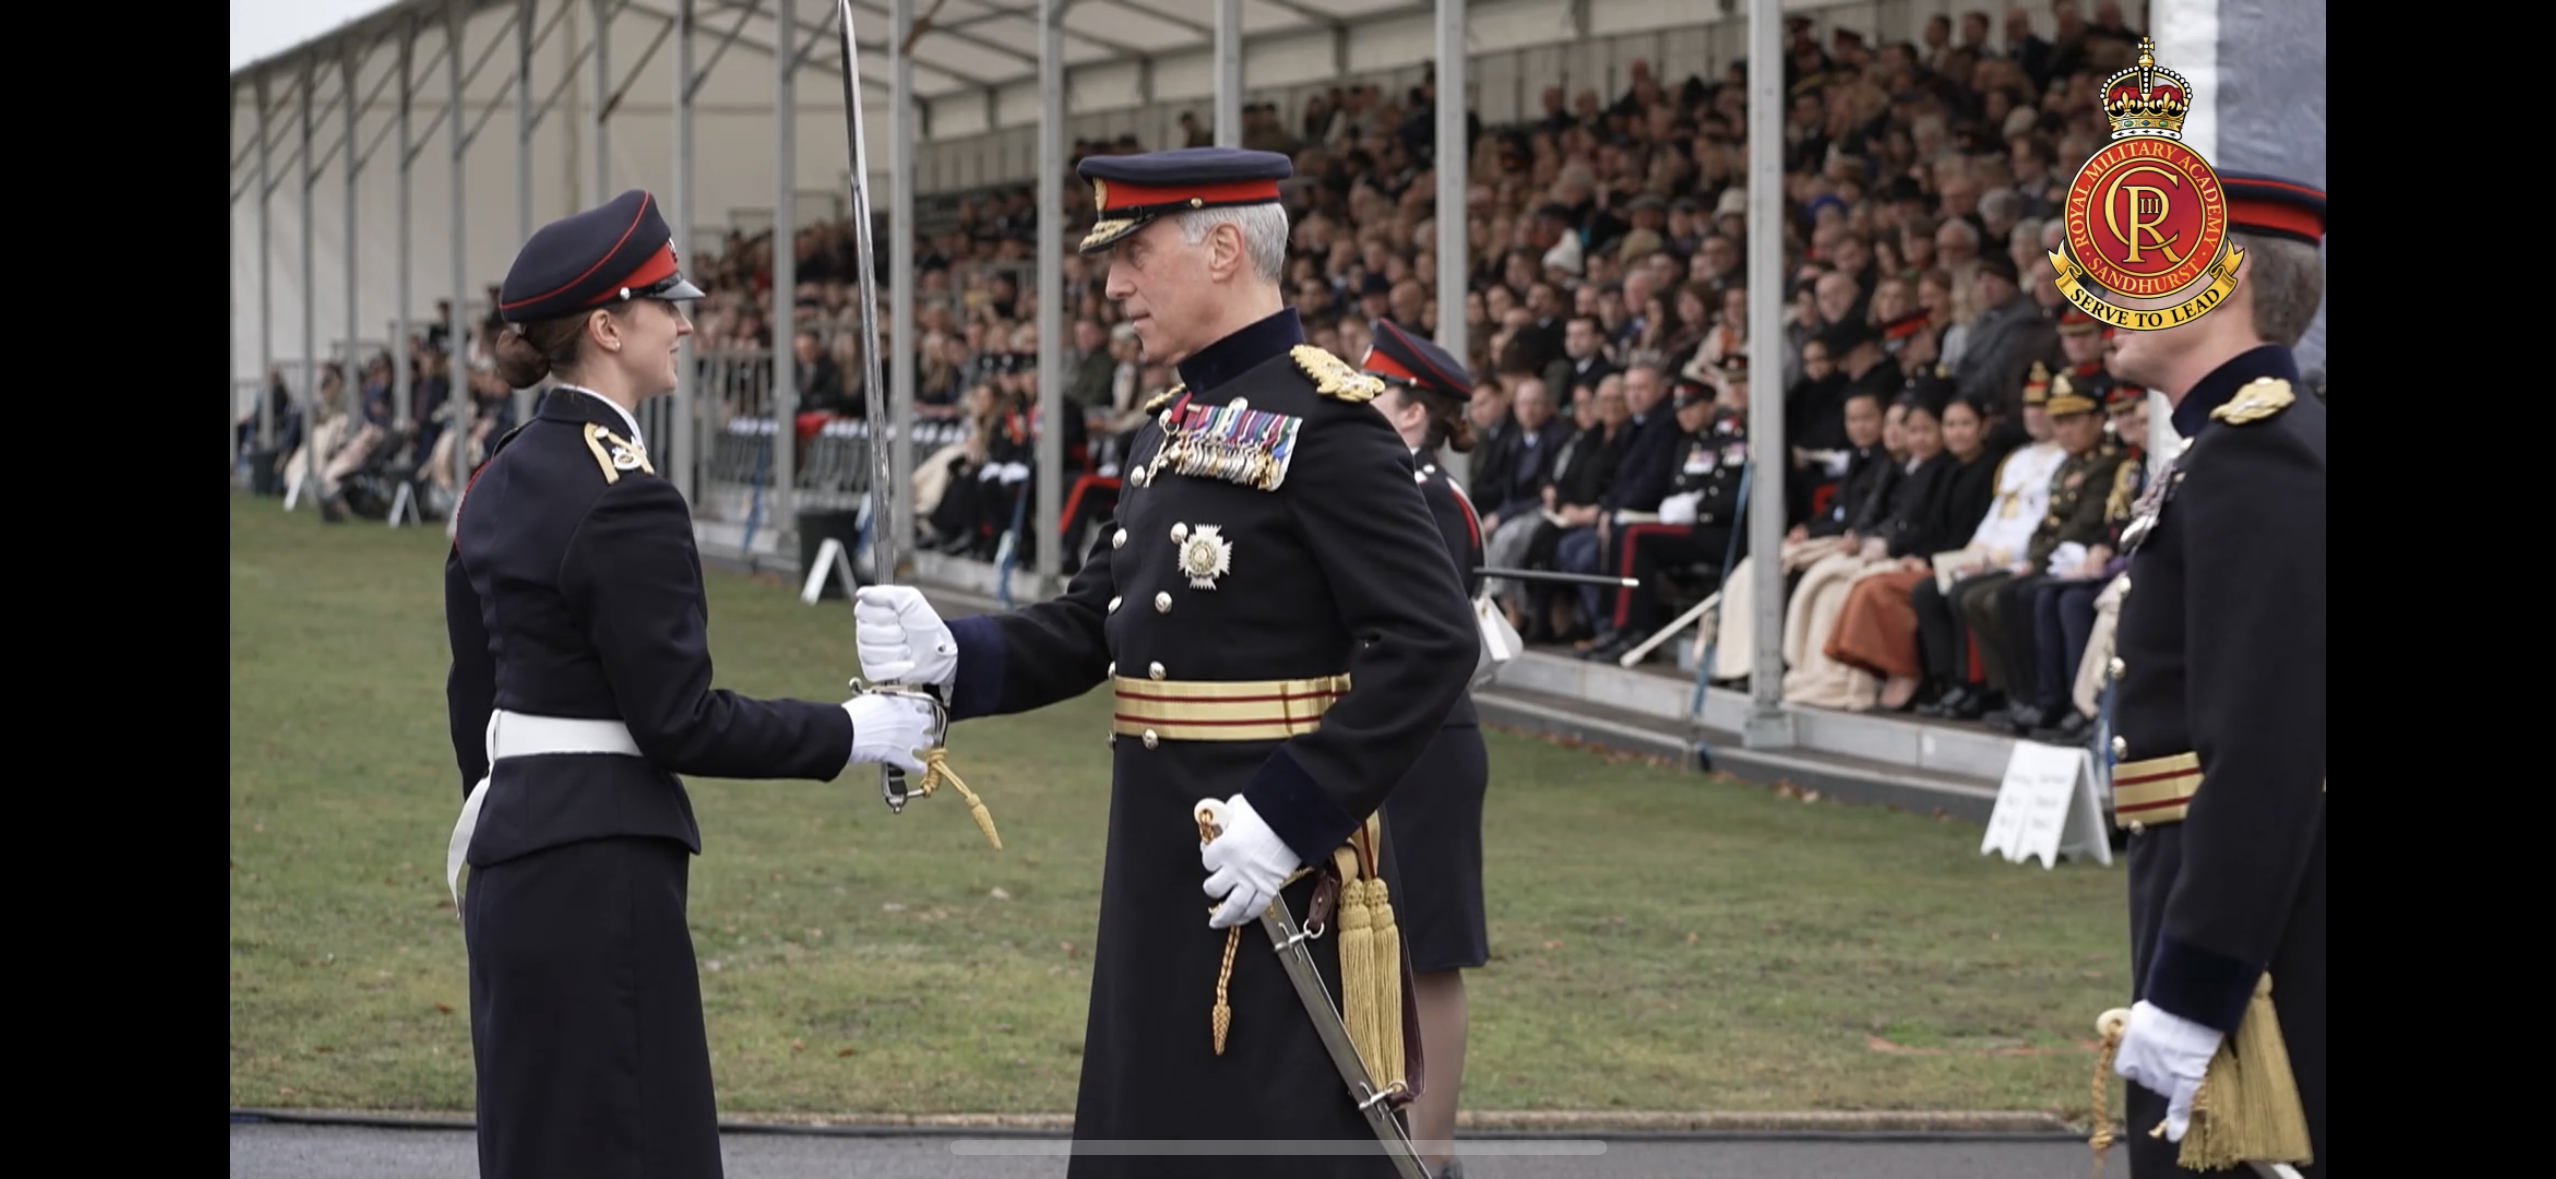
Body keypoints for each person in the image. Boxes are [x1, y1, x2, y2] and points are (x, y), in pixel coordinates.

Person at [852, 148, 1478, 1179]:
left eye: (1135, 254)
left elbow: (1431, 639)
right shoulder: (1173, 428)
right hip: (1160, 857)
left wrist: (1291, 812)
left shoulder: (1329, 424)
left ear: (1224, 248)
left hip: (1273, 869)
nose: (1114, 286)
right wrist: (951, 652)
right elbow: (1098, 619)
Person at [442, 189, 939, 1179]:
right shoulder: (628, 496)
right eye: (666, 302)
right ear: (608, 324)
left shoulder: (500, 475)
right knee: (631, 1143)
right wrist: (856, 731)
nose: (687, 320)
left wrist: (513, 812)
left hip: (515, 848)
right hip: (600, 868)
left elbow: (475, 696)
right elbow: (679, 722)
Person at [2100, 173, 2326, 1177]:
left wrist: (2196, 995)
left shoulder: (2258, 457)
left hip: (2258, 947)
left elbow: (2271, 755)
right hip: (2214, 899)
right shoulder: (2224, 452)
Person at [1358, 317, 1493, 1178]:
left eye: (1375, 390)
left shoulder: (1429, 498)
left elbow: (1427, 634)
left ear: (1412, 414)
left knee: (1428, 951)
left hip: (1429, 746)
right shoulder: (1398, 486)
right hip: (1392, 740)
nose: (1360, 399)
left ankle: (1432, 1151)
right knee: (1385, 947)